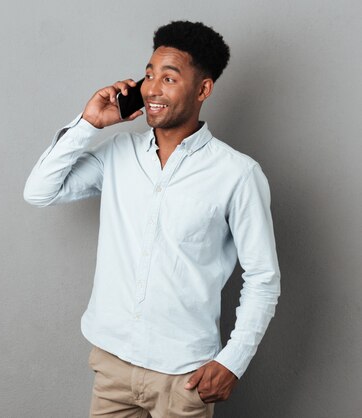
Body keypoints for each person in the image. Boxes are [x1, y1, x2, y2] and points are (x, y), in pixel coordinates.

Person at [23, 21, 280, 418]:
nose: (152, 89)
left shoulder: (238, 175)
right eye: (148, 74)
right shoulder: (117, 154)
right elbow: (39, 190)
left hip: (184, 376)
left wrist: (233, 360)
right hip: (112, 364)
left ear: (203, 89)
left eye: (169, 77)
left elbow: (263, 277)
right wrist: (88, 124)